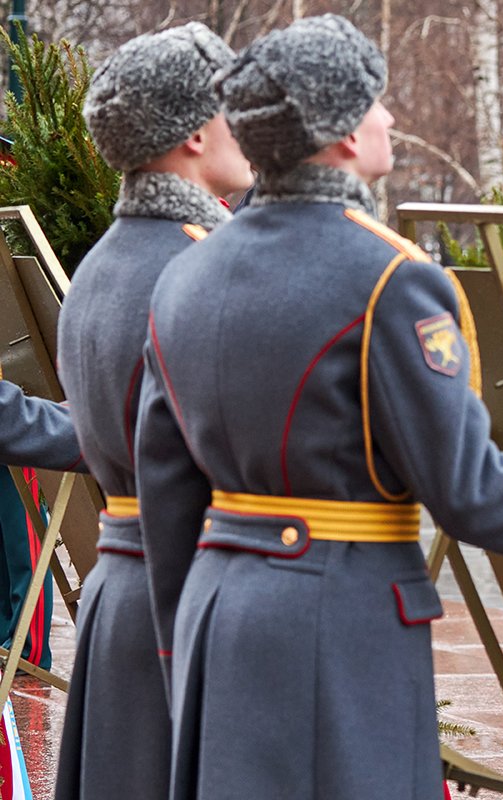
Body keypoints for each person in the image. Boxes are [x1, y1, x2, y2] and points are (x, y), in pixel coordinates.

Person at [133, 16, 503, 798]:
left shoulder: (187, 272)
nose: (392, 120)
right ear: (343, 134)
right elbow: (470, 491)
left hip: (217, 617)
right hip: (342, 629)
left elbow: (165, 486)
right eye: (377, 104)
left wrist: (184, 646)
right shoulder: (391, 278)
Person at [54, 23, 252, 800]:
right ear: (196, 135)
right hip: (192, 590)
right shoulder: (202, 265)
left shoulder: (104, 260)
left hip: (123, 591)